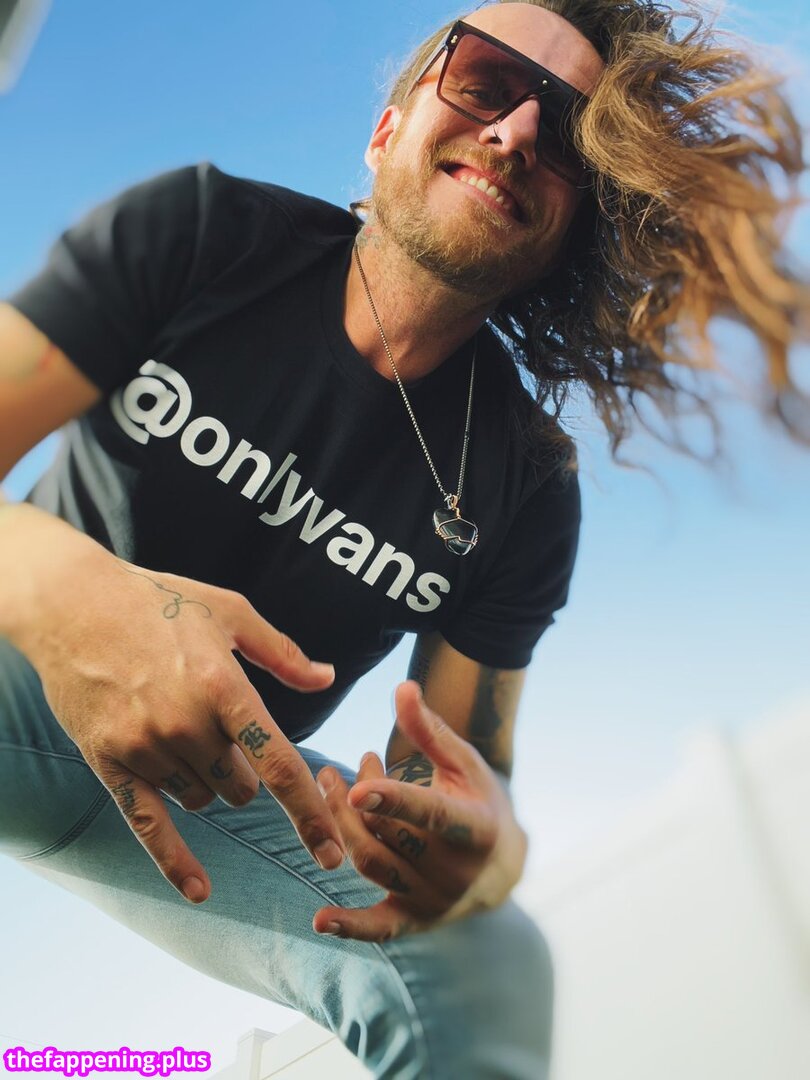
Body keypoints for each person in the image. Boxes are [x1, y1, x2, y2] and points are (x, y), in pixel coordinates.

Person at [0, 1, 806, 1077]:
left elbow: (465, 783)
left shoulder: (528, 488)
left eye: (567, 134)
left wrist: (489, 855)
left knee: (482, 962)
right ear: (388, 131)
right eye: (483, 81)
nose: (516, 132)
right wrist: (70, 591)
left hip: (222, 795)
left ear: (568, 231)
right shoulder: (199, 234)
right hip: (23, 674)